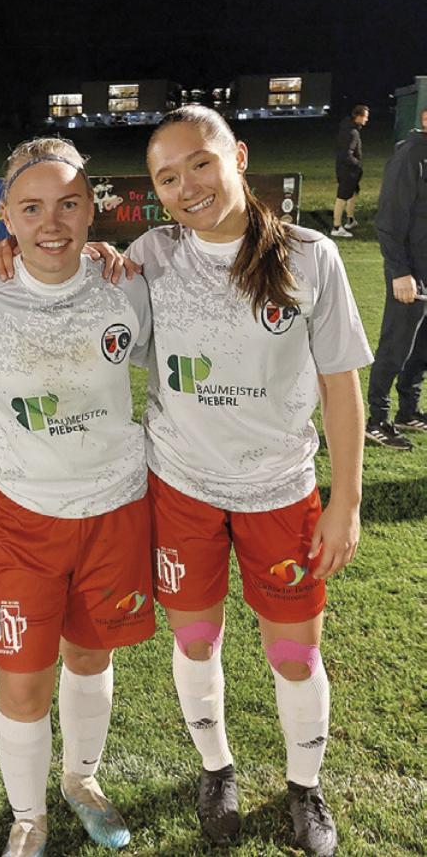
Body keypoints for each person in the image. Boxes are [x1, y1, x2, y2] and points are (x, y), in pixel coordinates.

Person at [126, 105, 372, 856]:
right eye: (167, 177)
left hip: (280, 491)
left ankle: (305, 786)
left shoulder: (310, 255)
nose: (187, 185)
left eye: (199, 162)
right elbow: (78, 312)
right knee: (197, 639)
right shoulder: (148, 257)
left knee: (295, 653)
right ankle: (216, 768)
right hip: (181, 488)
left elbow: (340, 386)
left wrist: (346, 501)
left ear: (237, 155)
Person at [0, 137, 155, 857]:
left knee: (92, 658)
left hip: (115, 507)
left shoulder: (125, 283)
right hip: (22, 519)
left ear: (91, 206)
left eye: (69, 204)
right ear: (6, 214)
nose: (53, 223)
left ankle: (81, 781)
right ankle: (27, 816)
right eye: (32, 208)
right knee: (23, 679)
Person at [365, 118, 427, 449]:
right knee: (396, 348)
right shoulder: (410, 156)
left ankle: (408, 411)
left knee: (421, 350)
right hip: (409, 274)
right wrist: (400, 271)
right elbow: (389, 218)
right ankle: (377, 419)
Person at [331, 104, 369, 238]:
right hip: (347, 170)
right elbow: (346, 154)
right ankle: (336, 227)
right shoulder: (351, 132)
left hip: (349, 169)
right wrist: (357, 164)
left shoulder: (350, 128)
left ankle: (350, 220)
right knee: (342, 196)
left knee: (353, 192)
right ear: (358, 117)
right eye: (365, 117)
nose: (366, 120)